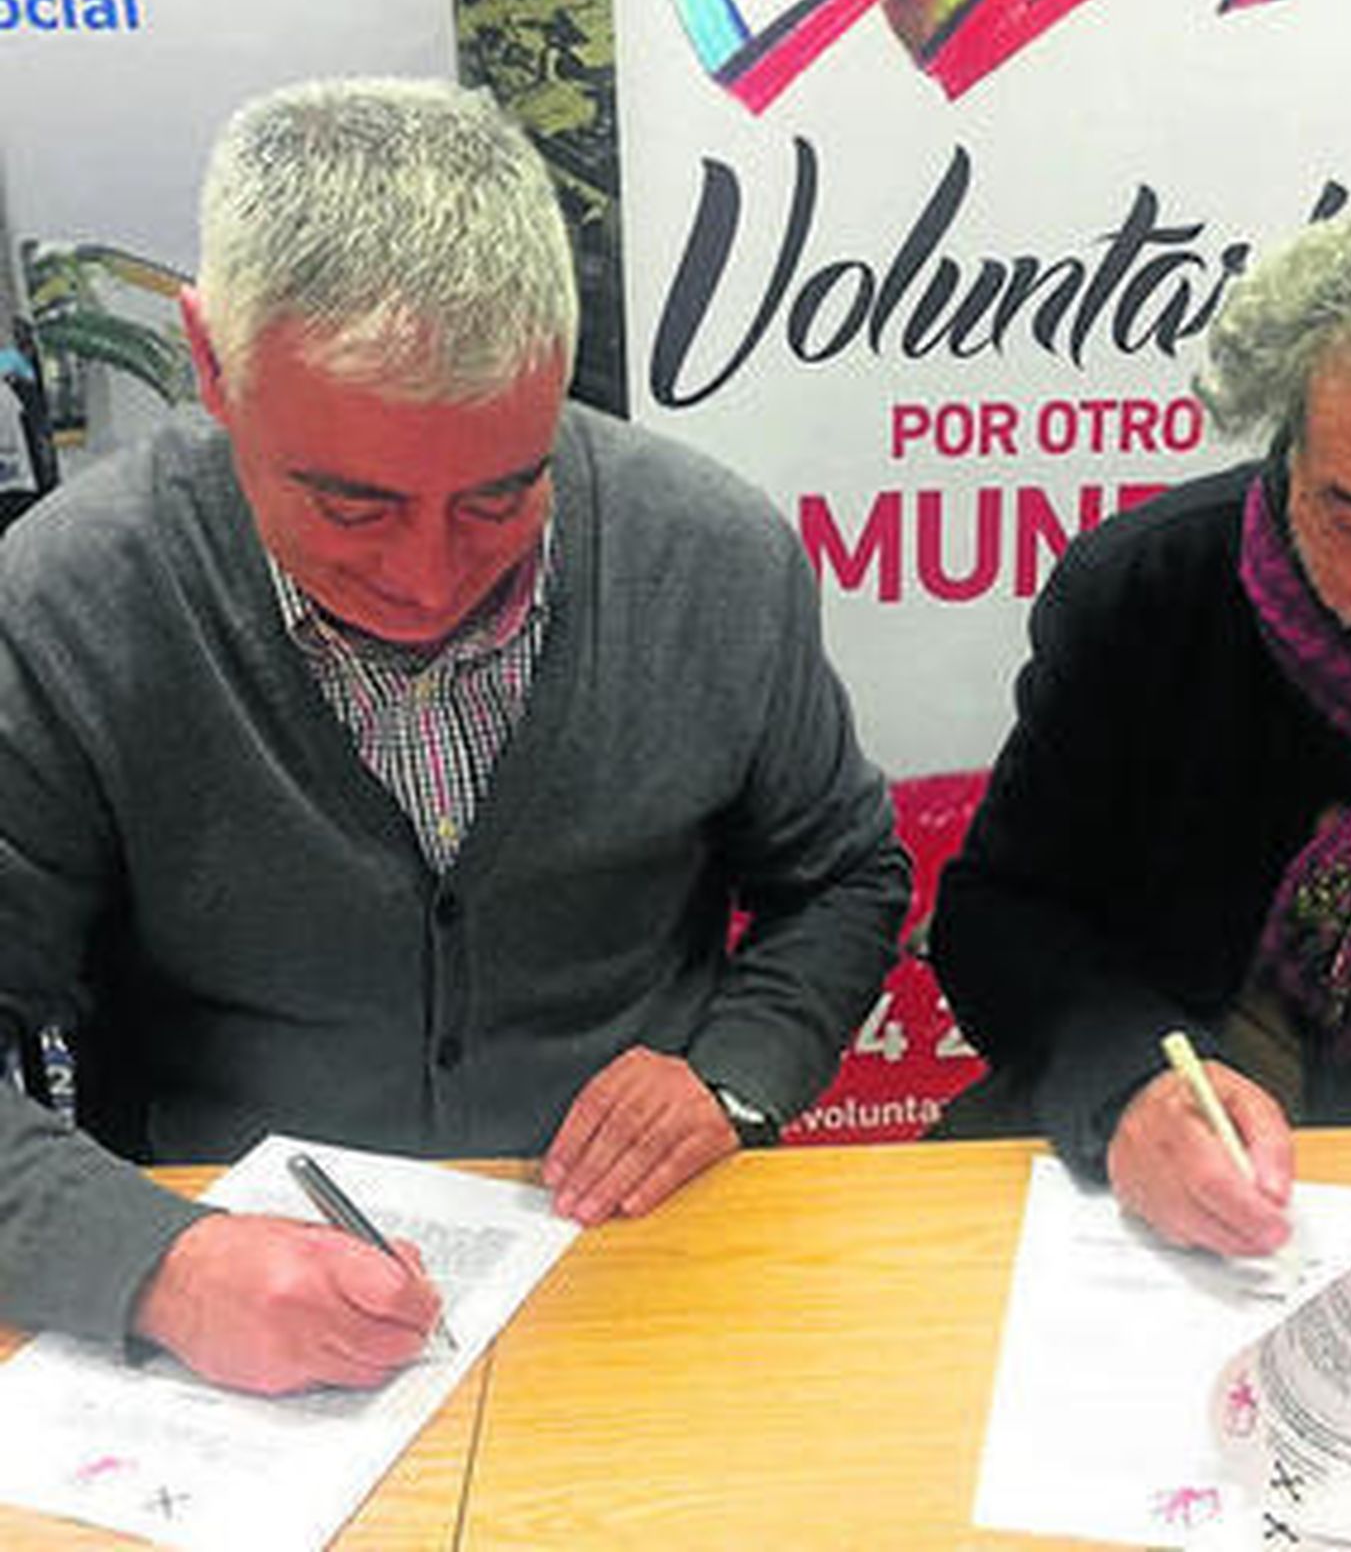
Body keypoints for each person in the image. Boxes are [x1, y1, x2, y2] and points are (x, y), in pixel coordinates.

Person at [0, 77, 908, 1393]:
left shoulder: (712, 560)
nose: (430, 581)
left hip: (638, 1265)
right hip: (233, 1290)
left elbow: (842, 875)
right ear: (210, 364)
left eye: (502, 495)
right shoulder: (71, 603)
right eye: (350, 506)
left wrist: (734, 1074)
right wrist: (155, 1262)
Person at [931, 156, 1351, 1260]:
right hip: (1177, 1214)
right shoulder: (1156, 596)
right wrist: (1130, 1084)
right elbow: (1001, 917)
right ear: (1290, 457)